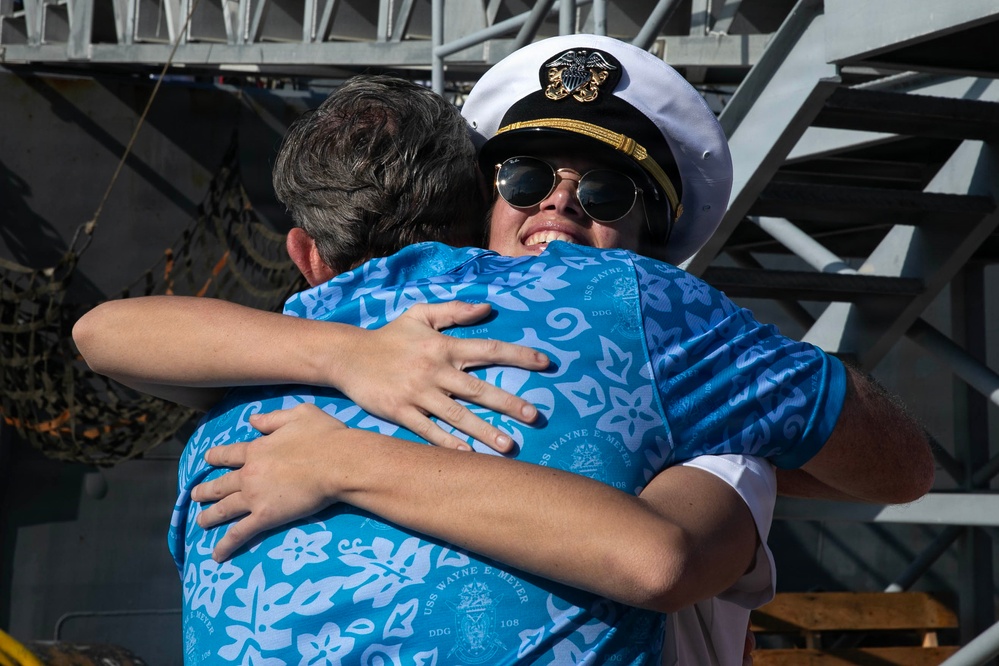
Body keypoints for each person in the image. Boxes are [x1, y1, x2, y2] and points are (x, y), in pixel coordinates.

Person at [73, 36, 933, 665]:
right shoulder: (332, 339)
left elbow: (668, 551)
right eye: (523, 180)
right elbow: (104, 332)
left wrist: (342, 458)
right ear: (475, 201)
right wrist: (346, 356)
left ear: (654, 248)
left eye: (606, 192)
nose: (557, 205)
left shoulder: (650, 324)